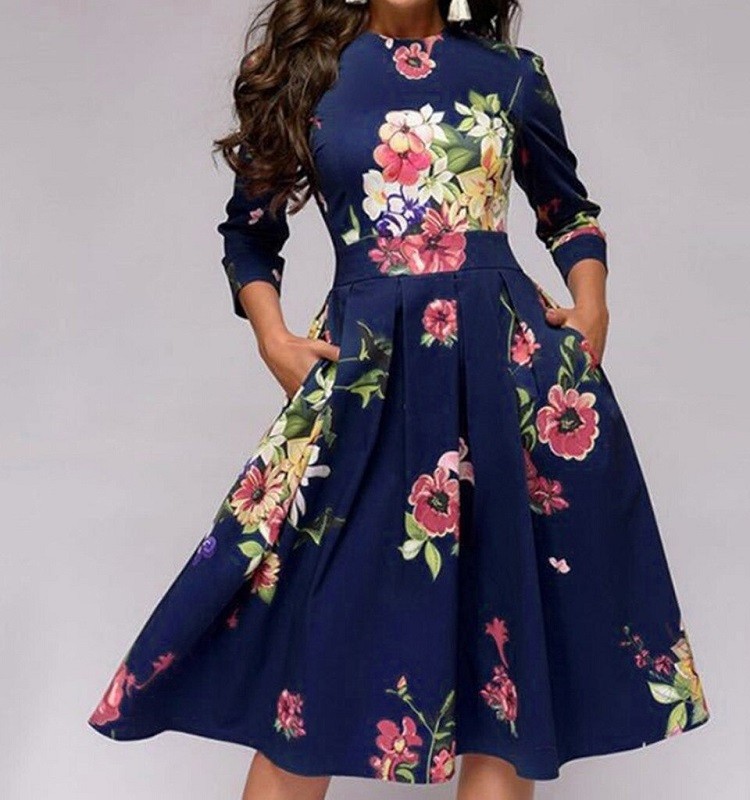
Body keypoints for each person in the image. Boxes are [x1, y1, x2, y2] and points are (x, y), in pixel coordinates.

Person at [87, 1, 711, 798]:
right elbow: (249, 232)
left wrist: (593, 307)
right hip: (368, 381)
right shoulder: (303, 71)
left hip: (503, 385)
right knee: (312, 660)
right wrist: (272, 335)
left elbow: (568, 212)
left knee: (504, 666)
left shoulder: (511, 75)